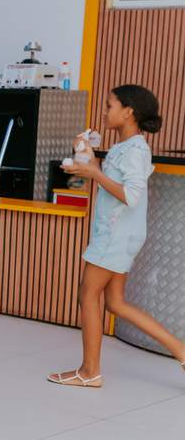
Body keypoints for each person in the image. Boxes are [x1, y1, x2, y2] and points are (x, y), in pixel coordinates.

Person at [53, 86, 185, 387]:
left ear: (129, 112)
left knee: (88, 295)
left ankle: (89, 372)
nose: (104, 111)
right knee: (115, 303)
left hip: (115, 234)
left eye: (110, 105)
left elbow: (131, 196)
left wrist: (94, 174)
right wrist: (89, 161)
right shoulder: (124, 147)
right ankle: (182, 351)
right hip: (119, 233)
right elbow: (111, 181)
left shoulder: (136, 150)